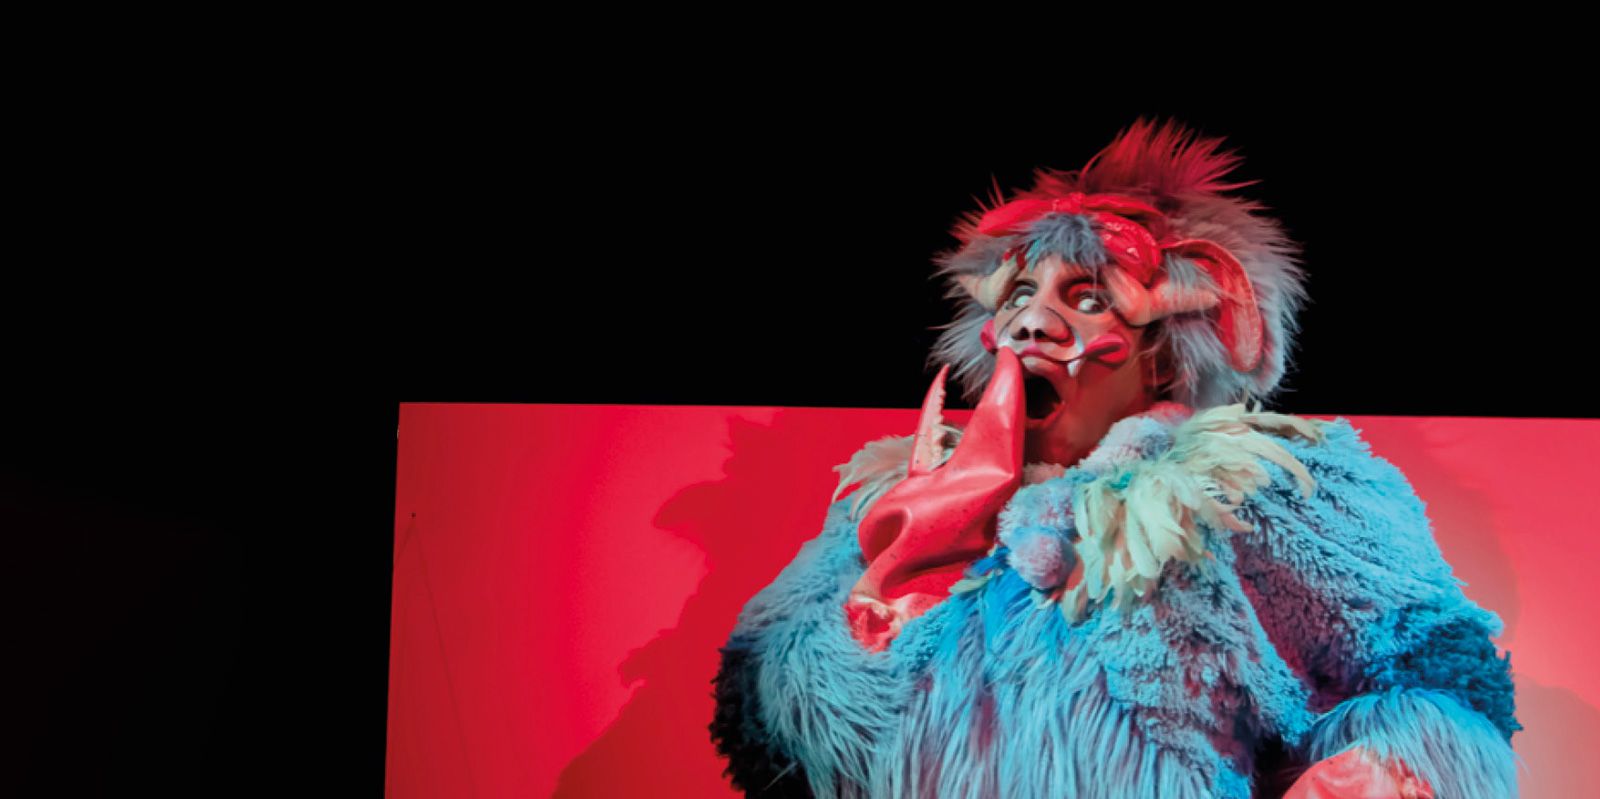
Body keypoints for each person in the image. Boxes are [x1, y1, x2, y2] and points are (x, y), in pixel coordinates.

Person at [709, 119, 1519, 798]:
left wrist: (1379, 768)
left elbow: (1437, 670)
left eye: (1087, 298)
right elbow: (762, 717)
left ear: (1162, 353)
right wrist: (875, 607)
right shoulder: (898, 495)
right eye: (1019, 296)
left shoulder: (1251, 481)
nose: (1033, 323)